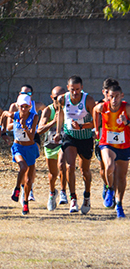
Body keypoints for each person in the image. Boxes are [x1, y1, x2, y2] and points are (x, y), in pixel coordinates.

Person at [55, 75, 95, 214]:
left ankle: (87, 196)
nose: (75, 92)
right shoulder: (62, 99)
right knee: (70, 166)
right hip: (69, 136)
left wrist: (82, 126)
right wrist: (58, 132)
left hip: (85, 137)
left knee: (84, 171)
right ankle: (73, 199)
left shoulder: (88, 100)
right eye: (72, 89)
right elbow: (60, 114)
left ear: (82, 88)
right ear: (68, 88)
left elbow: (97, 122)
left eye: (77, 89)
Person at [93, 83, 130, 218]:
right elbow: (94, 110)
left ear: (122, 96)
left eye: (117, 97)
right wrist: (97, 128)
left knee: (121, 177)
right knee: (109, 166)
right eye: (111, 97)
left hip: (124, 145)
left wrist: (127, 122)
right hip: (107, 143)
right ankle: (109, 188)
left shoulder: (127, 108)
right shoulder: (103, 107)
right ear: (107, 96)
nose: (114, 100)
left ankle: (119, 204)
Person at [6, 94, 40, 214]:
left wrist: (25, 127)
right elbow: (4, 114)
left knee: (29, 179)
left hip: (30, 148)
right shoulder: (14, 115)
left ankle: (25, 202)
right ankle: (16, 189)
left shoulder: (34, 117)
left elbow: (32, 137)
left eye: (26, 107)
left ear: (30, 106)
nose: (24, 109)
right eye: (22, 107)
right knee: (23, 167)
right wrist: (0, 127)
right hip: (18, 147)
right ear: (18, 106)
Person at [38, 86, 66, 210]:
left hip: (64, 143)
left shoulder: (68, 109)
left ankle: (64, 193)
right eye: (56, 98)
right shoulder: (48, 111)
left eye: (62, 98)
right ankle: (52, 193)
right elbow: (39, 130)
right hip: (50, 145)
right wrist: (53, 122)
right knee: (53, 174)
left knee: (62, 165)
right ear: (51, 98)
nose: (59, 100)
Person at [93, 79, 120, 207]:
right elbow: (95, 115)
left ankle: (112, 192)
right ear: (104, 92)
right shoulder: (100, 105)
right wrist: (96, 131)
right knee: (103, 169)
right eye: (108, 93)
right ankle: (107, 185)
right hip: (103, 139)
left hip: (117, 141)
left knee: (114, 167)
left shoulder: (120, 106)